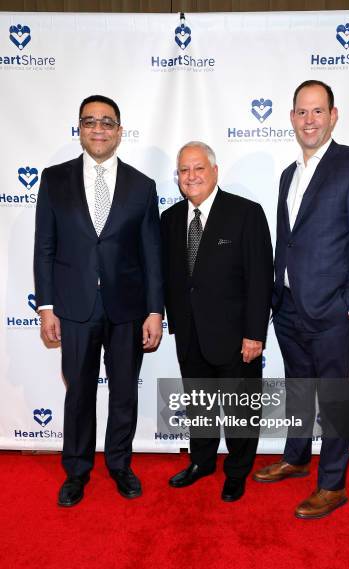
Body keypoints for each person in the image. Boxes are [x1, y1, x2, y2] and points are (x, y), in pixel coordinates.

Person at [253, 80, 349, 518]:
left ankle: (332, 484)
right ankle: (295, 457)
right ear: (291, 118)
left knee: (332, 397)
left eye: (317, 111)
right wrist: (276, 296)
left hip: (332, 309)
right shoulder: (289, 174)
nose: (309, 120)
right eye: (301, 112)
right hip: (288, 306)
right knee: (298, 389)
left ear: (333, 115)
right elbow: (288, 241)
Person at [34, 95, 163, 507]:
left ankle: (120, 464)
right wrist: (47, 306)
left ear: (120, 131)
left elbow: (152, 256)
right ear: (79, 129)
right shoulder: (54, 180)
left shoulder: (142, 187)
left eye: (107, 122)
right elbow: (45, 249)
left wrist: (155, 310)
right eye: (90, 121)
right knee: (79, 392)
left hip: (127, 309)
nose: (99, 129)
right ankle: (76, 470)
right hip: (74, 308)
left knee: (124, 391)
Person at [161, 141, 273, 502]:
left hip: (236, 336)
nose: (191, 176)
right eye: (184, 170)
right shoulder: (170, 219)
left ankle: (237, 471)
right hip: (190, 334)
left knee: (241, 410)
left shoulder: (246, 213)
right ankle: (202, 461)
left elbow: (260, 279)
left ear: (215, 171)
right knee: (199, 404)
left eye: (198, 168)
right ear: (177, 177)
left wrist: (255, 334)